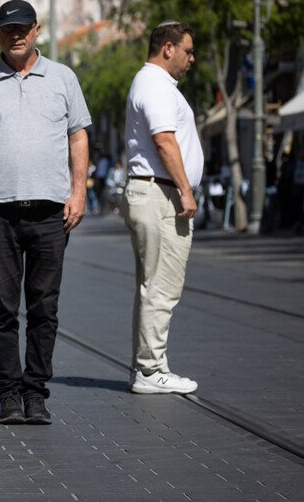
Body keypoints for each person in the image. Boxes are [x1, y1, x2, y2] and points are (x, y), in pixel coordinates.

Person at [0, 0, 91, 426]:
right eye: (6, 29)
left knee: (43, 307)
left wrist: (79, 192)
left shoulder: (63, 78)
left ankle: (36, 394)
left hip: (52, 213)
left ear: (37, 30)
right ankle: (9, 396)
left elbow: (78, 138)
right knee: (1, 308)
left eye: (22, 28)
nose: (15, 35)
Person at [120, 20, 204, 395]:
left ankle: (149, 365)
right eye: (187, 51)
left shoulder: (155, 83)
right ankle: (151, 370)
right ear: (167, 48)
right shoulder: (154, 84)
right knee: (161, 286)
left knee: (152, 285)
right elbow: (165, 141)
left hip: (156, 192)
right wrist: (185, 190)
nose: (192, 58)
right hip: (160, 194)